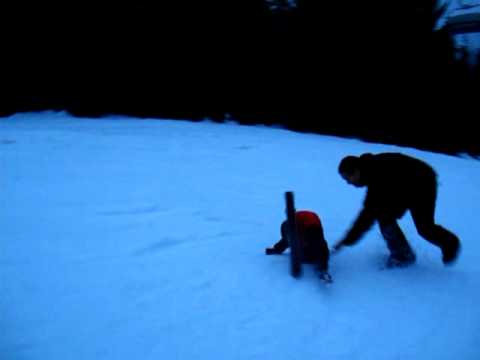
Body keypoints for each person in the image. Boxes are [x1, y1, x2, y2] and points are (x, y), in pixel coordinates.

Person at [333, 152, 461, 268]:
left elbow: (367, 215)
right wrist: (347, 240)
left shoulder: (377, 174)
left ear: (356, 171)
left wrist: (346, 240)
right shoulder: (370, 172)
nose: (348, 183)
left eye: (347, 178)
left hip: (423, 182)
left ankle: (449, 243)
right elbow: (369, 211)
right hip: (404, 185)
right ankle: (403, 253)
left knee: (424, 227)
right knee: (384, 215)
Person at [266, 210, 332, 281]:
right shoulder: (290, 228)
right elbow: (285, 241)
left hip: (312, 225)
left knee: (317, 244)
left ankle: (322, 268)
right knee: (312, 245)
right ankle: (320, 263)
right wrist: (276, 249)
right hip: (311, 221)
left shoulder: (295, 227)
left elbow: (321, 245)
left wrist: (323, 269)